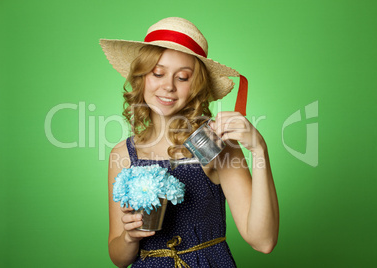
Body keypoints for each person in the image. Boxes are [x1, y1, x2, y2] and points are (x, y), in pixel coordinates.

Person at [101, 17, 279, 268]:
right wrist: (129, 237)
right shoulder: (123, 154)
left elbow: (264, 241)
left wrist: (260, 150)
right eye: (158, 73)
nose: (168, 86)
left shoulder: (215, 146)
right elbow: (118, 258)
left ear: (196, 87)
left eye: (182, 77)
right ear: (142, 78)